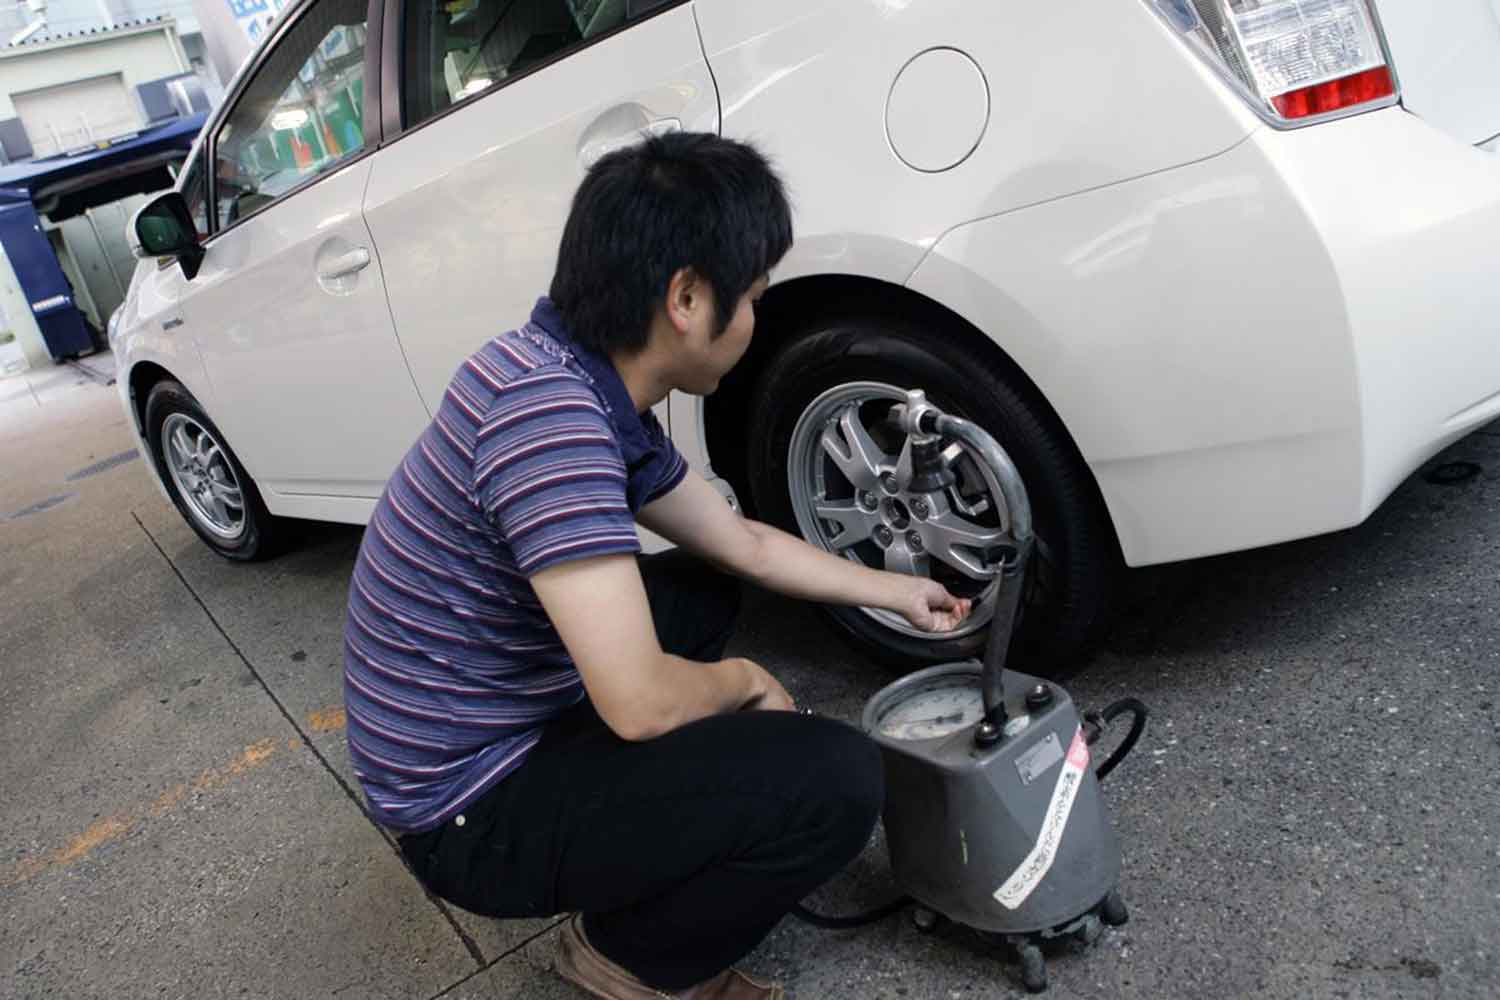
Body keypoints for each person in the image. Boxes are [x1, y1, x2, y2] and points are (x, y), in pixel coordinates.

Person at [342, 132, 972, 1000]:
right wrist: (746, 683)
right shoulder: (551, 429)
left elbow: (739, 542)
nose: (756, 319)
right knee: (836, 780)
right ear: (685, 298)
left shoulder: (562, 366)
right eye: (750, 297)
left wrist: (897, 591)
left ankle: (655, 824)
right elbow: (637, 705)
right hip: (467, 810)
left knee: (707, 584)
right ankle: (632, 959)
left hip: (497, 705)